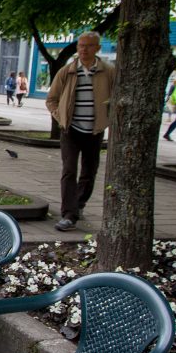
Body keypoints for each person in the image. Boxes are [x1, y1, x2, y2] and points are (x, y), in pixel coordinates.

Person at [46, 31, 115, 232]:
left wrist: (107, 119)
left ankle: (79, 203)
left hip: (94, 130)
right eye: (81, 46)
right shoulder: (67, 72)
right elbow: (51, 99)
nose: (84, 49)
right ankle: (69, 214)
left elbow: (117, 97)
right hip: (70, 130)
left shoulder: (108, 72)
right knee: (69, 170)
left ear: (97, 48)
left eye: (89, 46)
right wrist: (60, 117)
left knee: (89, 171)